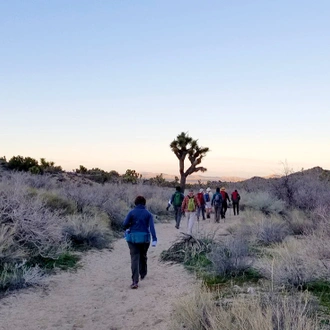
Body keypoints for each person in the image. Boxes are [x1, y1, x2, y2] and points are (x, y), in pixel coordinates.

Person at [123, 195, 157, 289]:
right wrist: (154, 239)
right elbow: (152, 227)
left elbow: (125, 224)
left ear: (135, 203)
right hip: (145, 239)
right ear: (144, 203)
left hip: (133, 239)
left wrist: (129, 226)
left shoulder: (131, 212)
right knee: (143, 255)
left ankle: (135, 281)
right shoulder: (148, 214)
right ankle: (143, 273)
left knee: (134, 258)